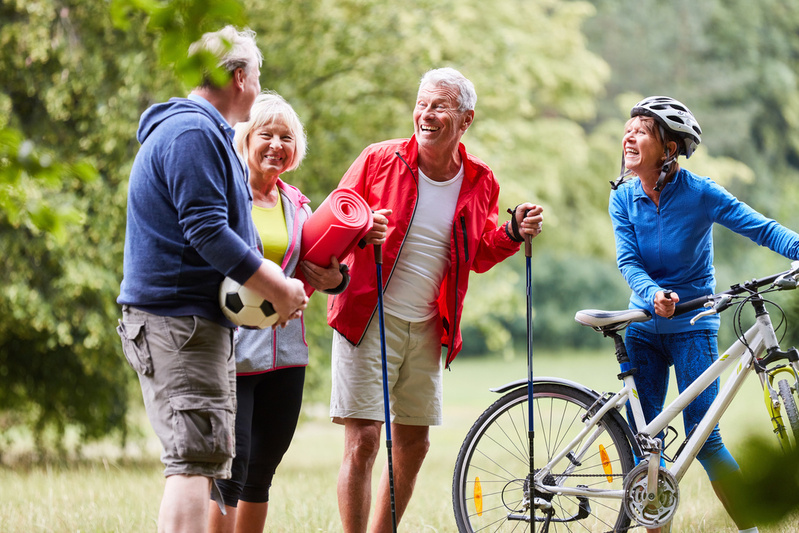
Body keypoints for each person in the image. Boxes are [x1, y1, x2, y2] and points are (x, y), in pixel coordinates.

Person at [327, 67, 545, 532]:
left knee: (413, 444)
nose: (425, 114)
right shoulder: (378, 159)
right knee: (364, 439)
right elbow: (333, 221)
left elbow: (477, 253)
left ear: (465, 120)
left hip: (429, 326)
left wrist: (510, 231)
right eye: (422, 103)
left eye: (439, 106)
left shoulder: (481, 180)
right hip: (368, 316)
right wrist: (364, 231)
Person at [116, 27, 308, 533]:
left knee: (198, 461)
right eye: (257, 77)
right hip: (179, 325)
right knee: (192, 462)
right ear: (239, 77)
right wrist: (277, 285)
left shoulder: (205, 133)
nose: (257, 86)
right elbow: (206, 230)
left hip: (195, 325)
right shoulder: (192, 134)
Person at [609, 95, 799, 533]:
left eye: (642, 130)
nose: (629, 135)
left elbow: (761, 226)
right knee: (646, 446)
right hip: (642, 329)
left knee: (705, 438)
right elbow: (628, 262)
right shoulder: (623, 200)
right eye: (628, 127)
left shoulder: (700, 193)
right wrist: (652, 292)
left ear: (669, 147)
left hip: (693, 326)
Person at [205, 91, 385, 532]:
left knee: (263, 467)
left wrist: (338, 276)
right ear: (245, 138)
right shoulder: (223, 197)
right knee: (233, 465)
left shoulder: (299, 205)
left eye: (286, 137)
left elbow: (330, 270)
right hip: (232, 352)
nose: (276, 145)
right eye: (265, 134)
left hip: (286, 355)